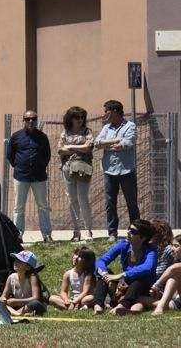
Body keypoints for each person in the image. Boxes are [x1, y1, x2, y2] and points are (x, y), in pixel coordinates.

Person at [93, 100, 140, 240]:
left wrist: (107, 145)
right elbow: (97, 143)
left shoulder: (130, 126)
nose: (104, 114)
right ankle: (112, 233)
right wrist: (116, 142)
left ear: (114, 111)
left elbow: (127, 143)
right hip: (109, 170)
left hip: (126, 170)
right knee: (110, 203)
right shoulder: (106, 128)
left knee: (131, 203)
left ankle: (136, 232)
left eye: (106, 110)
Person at [92, 219, 156, 315]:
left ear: (143, 238)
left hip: (142, 290)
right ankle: (98, 306)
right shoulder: (123, 245)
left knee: (138, 281)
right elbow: (100, 261)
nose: (128, 232)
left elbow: (147, 267)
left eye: (133, 231)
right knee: (103, 277)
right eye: (129, 228)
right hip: (124, 287)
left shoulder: (151, 250)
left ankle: (122, 306)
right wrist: (106, 275)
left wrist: (121, 275)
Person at [7, 110, 53, 242]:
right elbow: (10, 156)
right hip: (21, 177)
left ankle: (47, 235)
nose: (31, 121)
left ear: (36, 120)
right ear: (24, 120)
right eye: (28, 119)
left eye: (33, 119)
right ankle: (17, 235)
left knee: (43, 206)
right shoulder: (16, 137)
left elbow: (47, 156)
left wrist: (39, 166)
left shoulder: (42, 137)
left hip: (39, 177)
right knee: (18, 207)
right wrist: (20, 167)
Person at [57, 106, 94, 241]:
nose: (80, 120)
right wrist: (79, 150)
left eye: (82, 117)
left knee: (83, 197)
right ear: (70, 119)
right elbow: (60, 150)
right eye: (77, 117)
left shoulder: (87, 132)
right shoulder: (65, 133)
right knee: (72, 200)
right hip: (67, 168)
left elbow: (88, 147)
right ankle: (76, 231)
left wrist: (70, 147)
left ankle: (88, 229)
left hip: (83, 168)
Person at [0, 250, 47, 316]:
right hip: (18, 306)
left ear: (28, 267)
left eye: (20, 261)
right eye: (16, 260)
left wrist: (16, 301)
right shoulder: (11, 277)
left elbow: (36, 298)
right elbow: (3, 296)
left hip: (28, 305)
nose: (16, 262)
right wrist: (3, 300)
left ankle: (14, 313)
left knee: (36, 304)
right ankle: (18, 314)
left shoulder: (32, 277)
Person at [49, 246, 96, 310]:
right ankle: (77, 307)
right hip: (72, 299)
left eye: (80, 256)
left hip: (84, 298)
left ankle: (74, 306)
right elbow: (63, 291)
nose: (76, 257)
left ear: (87, 261)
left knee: (89, 298)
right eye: (76, 254)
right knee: (52, 298)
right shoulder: (68, 274)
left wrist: (75, 302)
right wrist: (66, 299)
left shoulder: (88, 275)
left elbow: (85, 291)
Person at [150, 235, 181, 315]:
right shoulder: (177, 261)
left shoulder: (176, 266)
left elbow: (172, 269)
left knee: (175, 276)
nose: (172, 248)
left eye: (176, 246)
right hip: (178, 301)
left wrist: (156, 286)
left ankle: (161, 307)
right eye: (172, 245)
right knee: (141, 300)